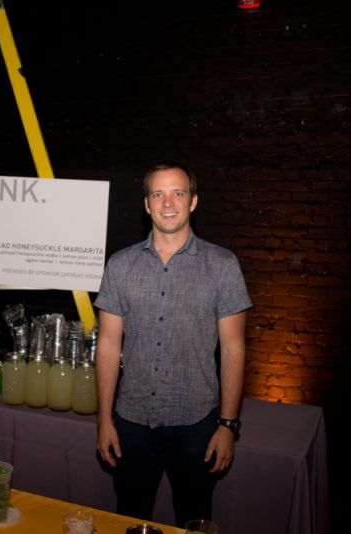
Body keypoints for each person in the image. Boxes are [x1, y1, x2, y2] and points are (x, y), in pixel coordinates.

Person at [94, 161, 252, 527]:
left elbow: (233, 348)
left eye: (178, 193)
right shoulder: (120, 265)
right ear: (146, 205)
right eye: (158, 194)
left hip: (198, 424)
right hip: (131, 423)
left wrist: (228, 426)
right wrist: (104, 419)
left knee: (194, 521)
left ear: (193, 202)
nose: (168, 202)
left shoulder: (223, 265)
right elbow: (107, 344)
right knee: (129, 521)